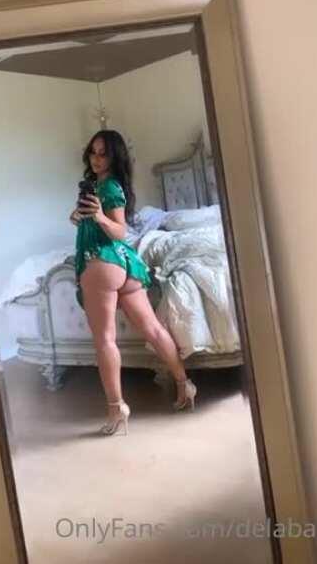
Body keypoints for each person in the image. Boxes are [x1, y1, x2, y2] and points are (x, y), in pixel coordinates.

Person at [69, 129, 197, 436]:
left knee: (105, 340)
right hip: (122, 265)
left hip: (101, 261)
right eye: (93, 152)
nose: (97, 159)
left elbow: (119, 230)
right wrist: (80, 217)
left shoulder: (110, 187)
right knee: (153, 328)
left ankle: (116, 409)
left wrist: (98, 217)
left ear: (115, 157)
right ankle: (185, 384)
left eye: (103, 154)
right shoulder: (98, 186)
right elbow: (101, 225)